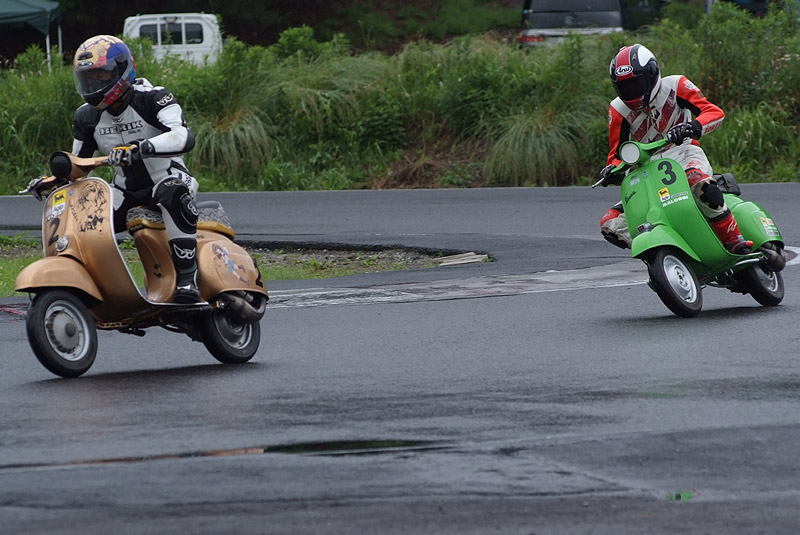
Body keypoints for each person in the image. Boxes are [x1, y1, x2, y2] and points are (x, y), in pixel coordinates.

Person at [70, 35, 201, 303]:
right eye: (87, 77)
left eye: (100, 75)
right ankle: (93, 287)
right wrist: (53, 179)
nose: (93, 83)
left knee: (171, 191)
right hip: (126, 191)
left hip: (169, 178)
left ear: (122, 70)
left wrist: (143, 147)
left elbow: (183, 136)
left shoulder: (154, 97)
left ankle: (188, 280)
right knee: (85, 214)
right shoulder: (86, 115)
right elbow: (78, 165)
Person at [598, 43, 753, 255]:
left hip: (684, 153)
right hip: (647, 168)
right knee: (610, 222)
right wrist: (612, 170)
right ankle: (663, 249)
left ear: (652, 74)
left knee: (699, 183)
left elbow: (713, 112)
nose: (631, 92)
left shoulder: (676, 85)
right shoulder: (618, 108)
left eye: (636, 84)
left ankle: (733, 238)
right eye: (625, 87)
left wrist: (692, 127)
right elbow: (617, 154)